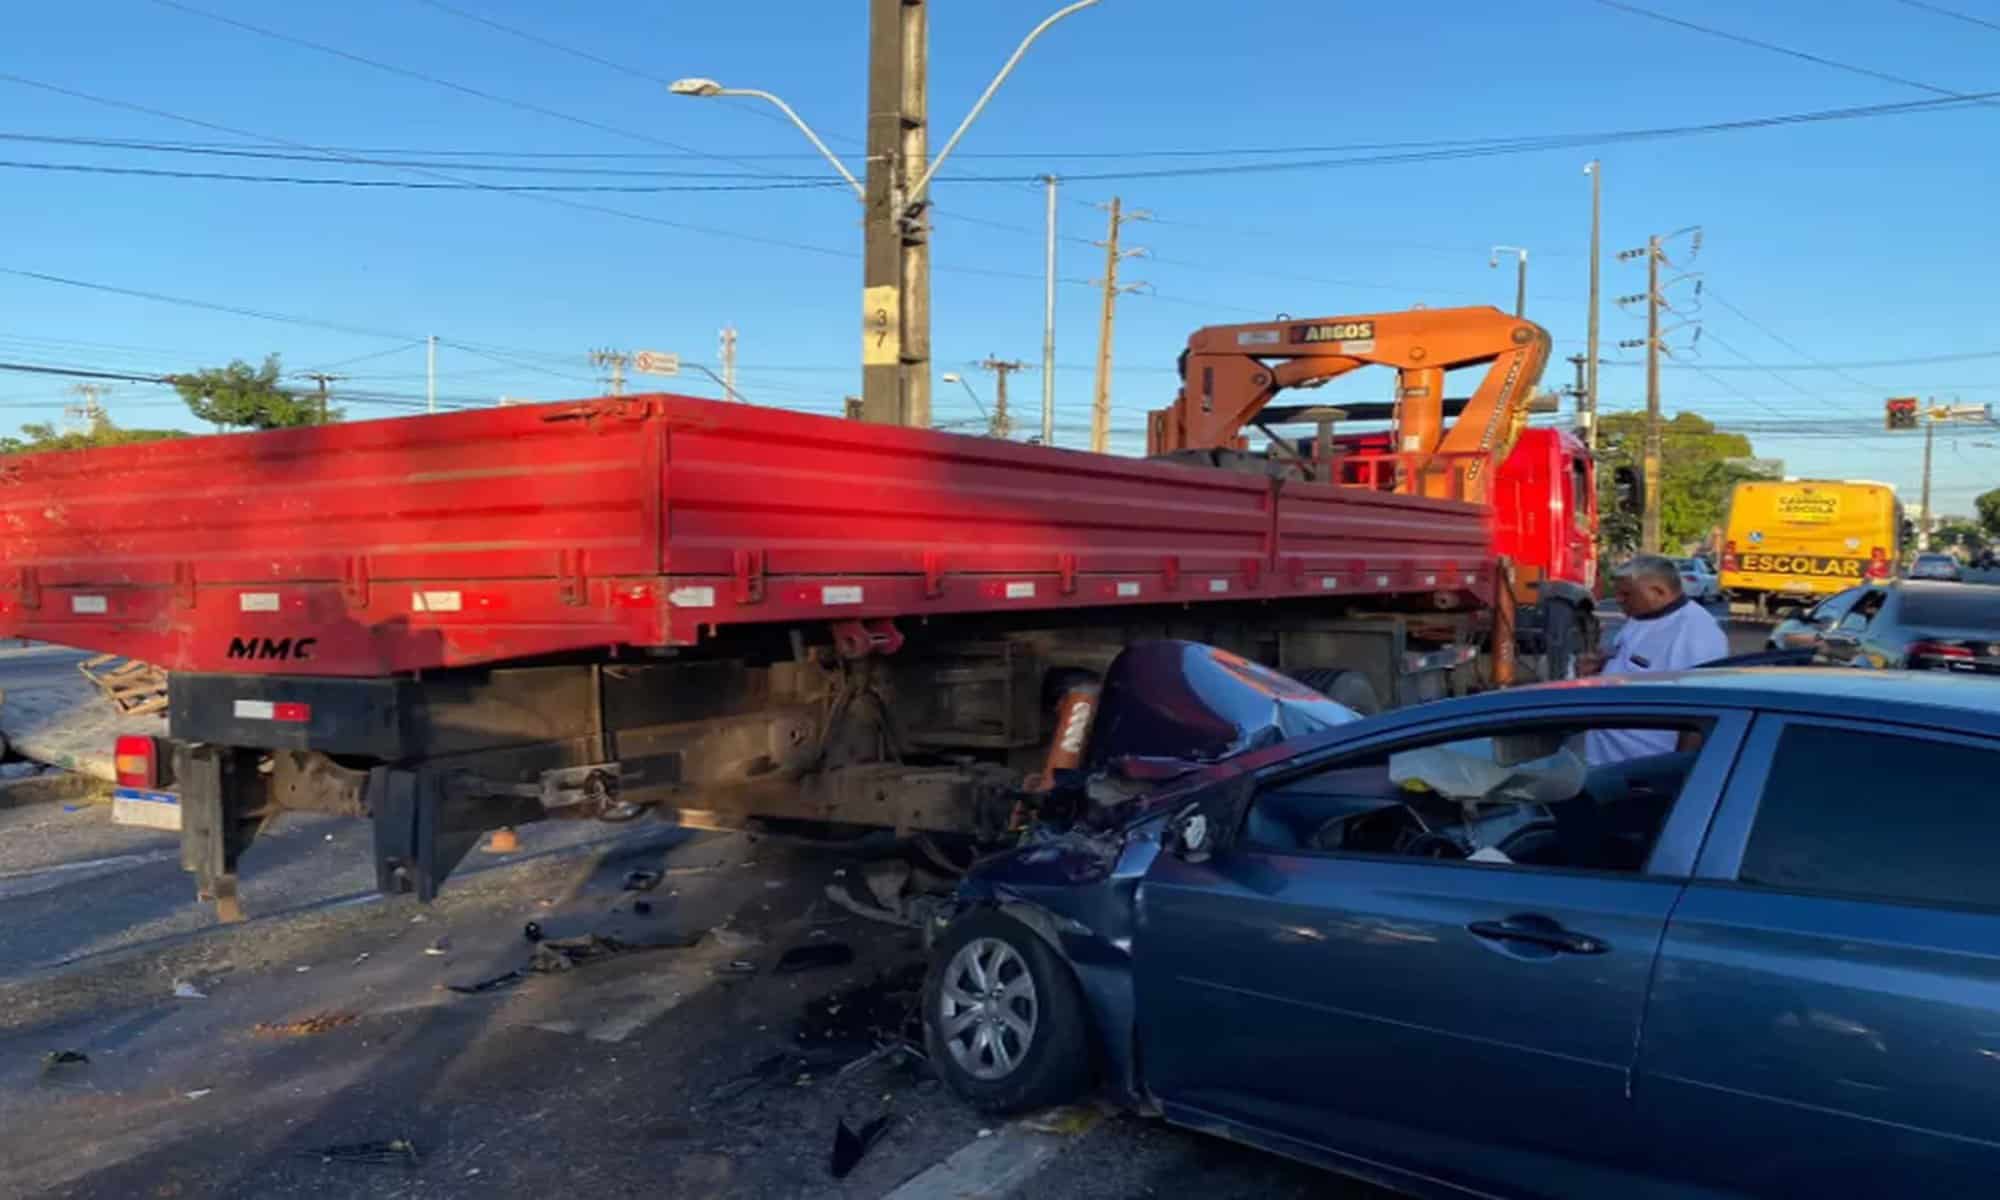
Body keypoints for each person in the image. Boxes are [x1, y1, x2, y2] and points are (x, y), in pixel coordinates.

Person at [1580, 555, 1729, 764]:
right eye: (1617, 594)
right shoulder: (1642, 616)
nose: (1619, 600)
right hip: (1608, 761)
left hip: (1642, 767)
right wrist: (1603, 665)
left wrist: (1675, 772)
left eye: (1626, 594)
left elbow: (1700, 712)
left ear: (1659, 592)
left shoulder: (1696, 634)